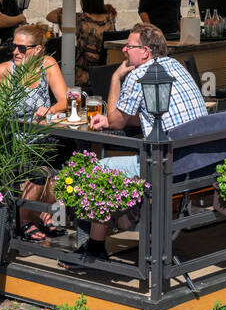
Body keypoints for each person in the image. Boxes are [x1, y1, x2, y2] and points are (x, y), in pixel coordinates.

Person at [82, 23, 204, 257]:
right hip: (196, 160)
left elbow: (116, 121)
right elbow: (156, 112)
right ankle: (128, 215)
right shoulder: (176, 66)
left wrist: (116, 77)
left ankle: (95, 246)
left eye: (129, 46)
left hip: (168, 165)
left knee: (99, 169)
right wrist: (115, 120)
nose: (124, 50)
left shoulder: (139, 74)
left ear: (145, 51)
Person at [0, 23, 71, 242]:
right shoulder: (5, 71)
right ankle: (24, 219)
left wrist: (49, 110)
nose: (15, 52)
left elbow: (65, 100)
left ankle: (46, 214)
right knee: (41, 169)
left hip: (40, 134)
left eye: (22, 48)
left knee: (66, 159)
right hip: (12, 140)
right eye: (14, 46)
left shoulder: (46, 65)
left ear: (37, 50)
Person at [46, 0, 117, 86]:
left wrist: (61, 9)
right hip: (105, 72)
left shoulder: (81, 19)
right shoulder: (109, 19)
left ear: (85, 1)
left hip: (82, 74)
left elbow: (50, 16)